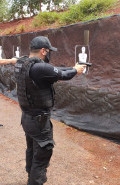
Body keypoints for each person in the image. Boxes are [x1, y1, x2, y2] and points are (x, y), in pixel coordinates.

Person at [14, 36, 86, 185]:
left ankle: (31, 178)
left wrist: (73, 68)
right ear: (43, 51)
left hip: (27, 117)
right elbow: (63, 74)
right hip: (39, 121)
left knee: (32, 151)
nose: (49, 53)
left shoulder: (23, 63)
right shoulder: (39, 67)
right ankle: (35, 181)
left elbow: (55, 70)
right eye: (48, 51)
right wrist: (75, 70)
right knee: (42, 155)